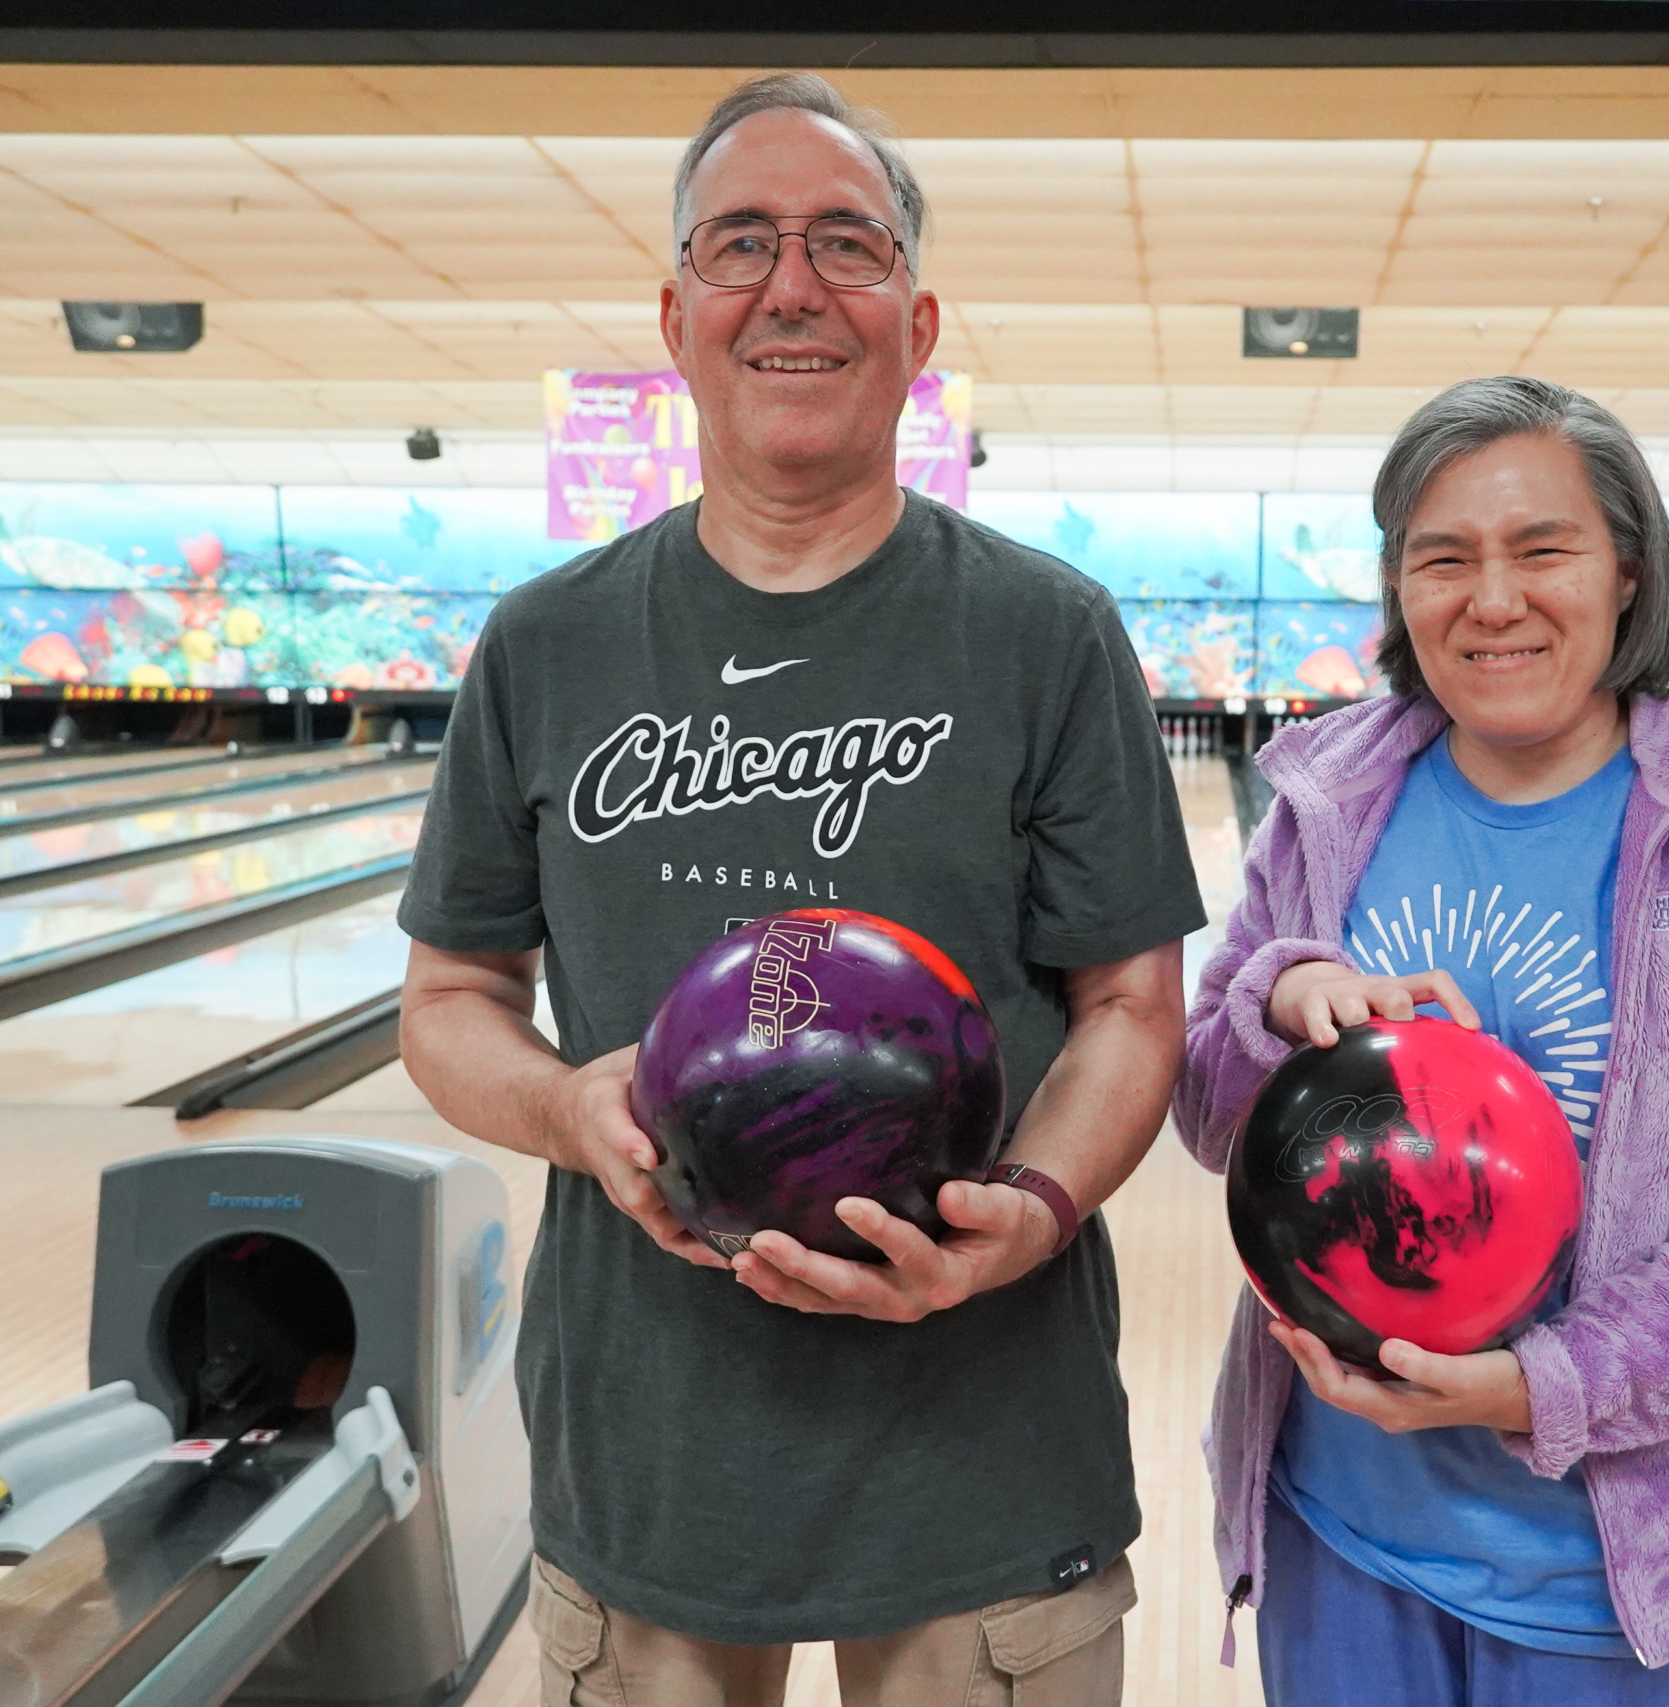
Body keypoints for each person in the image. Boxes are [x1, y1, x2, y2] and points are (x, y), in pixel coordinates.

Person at [397, 73, 1206, 1707]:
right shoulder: (545, 645)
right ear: (678, 314)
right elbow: (449, 1002)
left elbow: (1133, 1009)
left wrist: (1027, 1218)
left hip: (985, 1461)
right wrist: (570, 1114)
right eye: (741, 244)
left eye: (846, 244)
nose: (792, 285)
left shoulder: (1050, 634)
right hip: (653, 1469)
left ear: (915, 325)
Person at [1174, 376, 1669, 1705]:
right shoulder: (1328, 807)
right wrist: (1275, 1002)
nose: (1490, 599)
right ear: (1400, 593)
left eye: (1541, 549)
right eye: (1442, 559)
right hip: (1339, 1538)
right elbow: (1213, 1117)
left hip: (1612, 1585)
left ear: (1627, 572)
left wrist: (1533, 1387)